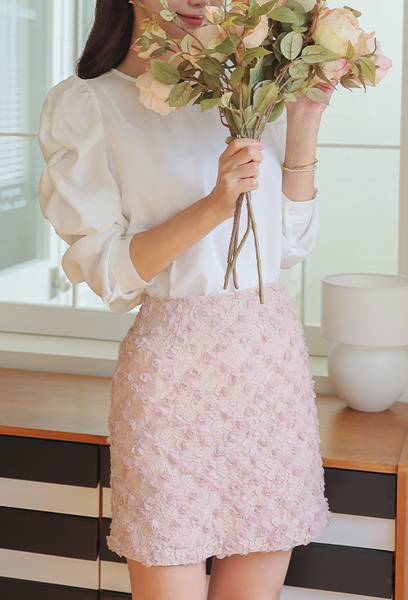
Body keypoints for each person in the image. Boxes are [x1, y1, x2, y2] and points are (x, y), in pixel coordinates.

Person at [37, 1, 334, 598]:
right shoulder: (88, 103)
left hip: (269, 369)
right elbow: (110, 273)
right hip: (172, 378)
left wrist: (304, 120)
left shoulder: (248, 86)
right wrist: (214, 206)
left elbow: (289, 246)